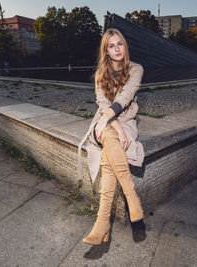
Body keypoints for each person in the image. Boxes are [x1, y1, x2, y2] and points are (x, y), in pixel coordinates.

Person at [77, 28, 145, 245]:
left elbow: (125, 98)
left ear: (125, 45)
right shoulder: (100, 73)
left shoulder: (136, 69)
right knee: (108, 134)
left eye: (120, 44)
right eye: (111, 46)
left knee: (108, 159)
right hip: (107, 121)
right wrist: (113, 122)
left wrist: (116, 122)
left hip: (127, 122)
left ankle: (102, 221)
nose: (117, 49)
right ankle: (131, 196)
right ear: (105, 51)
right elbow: (102, 102)